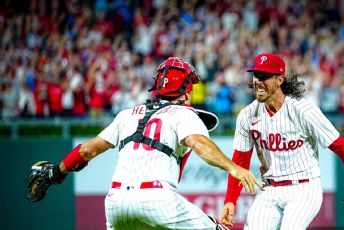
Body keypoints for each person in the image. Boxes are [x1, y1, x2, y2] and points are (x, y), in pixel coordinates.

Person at [49, 57, 262, 229]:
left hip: (115, 203)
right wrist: (235, 168)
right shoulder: (184, 114)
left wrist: (56, 172)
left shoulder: (127, 114)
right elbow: (198, 143)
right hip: (157, 198)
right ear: (186, 92)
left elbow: (87, 150)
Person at [219, 53, 344, 229]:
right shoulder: (247, 115)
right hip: (270, 189)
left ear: (280, 80)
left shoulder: (303, 110)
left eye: (265, 77)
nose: (258, 81)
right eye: (256, 75)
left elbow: (340, 146)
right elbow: (240, 160)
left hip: (304, 188)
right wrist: (230, 200)